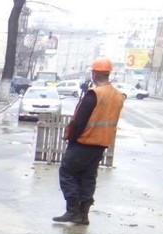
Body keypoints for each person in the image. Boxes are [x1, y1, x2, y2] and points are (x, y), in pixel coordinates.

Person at [53, 57, 124, 225]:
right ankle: (83, 215)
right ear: (108, 73)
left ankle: (72, 211)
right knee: (88, 177)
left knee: (67, 173)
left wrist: (71, 138)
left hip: (83, 142)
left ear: (94, 73)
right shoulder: (118, 95)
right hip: (100, 144)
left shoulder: (94, 94)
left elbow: (80, 121)